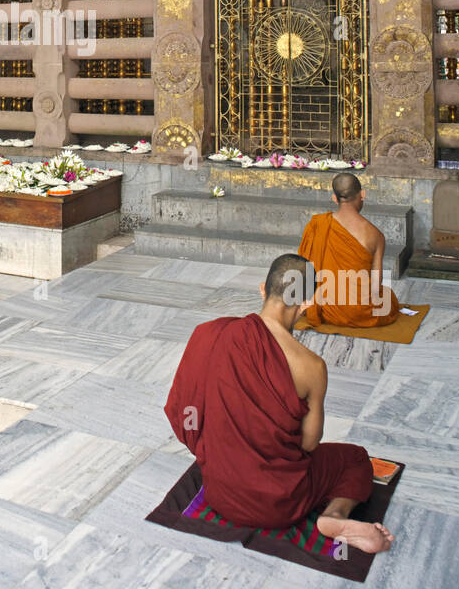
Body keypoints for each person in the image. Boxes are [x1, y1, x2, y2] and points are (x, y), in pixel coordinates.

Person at [164, 253, 393, 554]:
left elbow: (183, 414)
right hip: (284, 504)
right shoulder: (312, 367)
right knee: (355, 459)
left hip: (220, 494)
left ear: (263, 289)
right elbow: (309, 445)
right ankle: (335, 515)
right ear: (308, 302)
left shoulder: (208, 333)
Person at [297, 172, 422, 328]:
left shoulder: (316, 225)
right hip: (360, 313)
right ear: (362, 194)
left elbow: (305, 272)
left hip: (324, 308)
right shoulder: (376, 235)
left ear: (334, 198)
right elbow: (376, 288)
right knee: (388, 297)